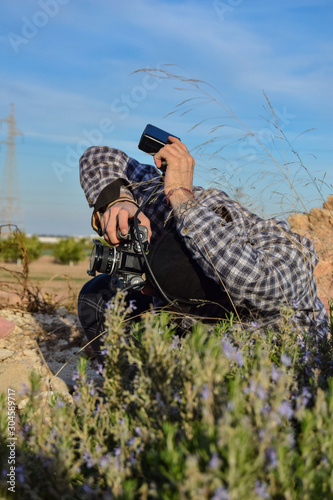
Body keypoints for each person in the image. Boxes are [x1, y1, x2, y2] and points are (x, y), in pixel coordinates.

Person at [78, 136, 329, 361]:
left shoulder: (286, 253)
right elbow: (99, 157)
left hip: (268, 361)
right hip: (199, 332)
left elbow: (253, 279)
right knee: (99, 294)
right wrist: (118, 200)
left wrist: (179, 194)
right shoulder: (178, 213)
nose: (148, 286)